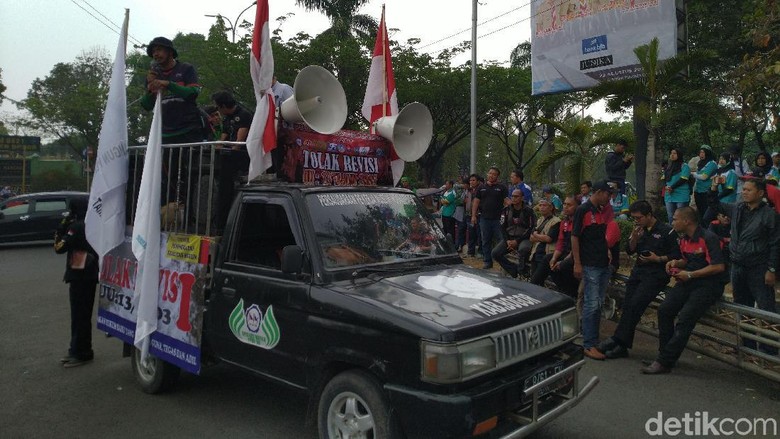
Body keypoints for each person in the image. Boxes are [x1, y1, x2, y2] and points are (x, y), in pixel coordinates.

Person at [641, 206, 726, 374]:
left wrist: (691, 274)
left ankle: (665, 361)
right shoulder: (684, 239)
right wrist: (675, 263)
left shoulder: (709, 238)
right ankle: (664, 355)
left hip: (708, 285)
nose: (672, 222)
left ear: (686, 221)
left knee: (685, 318)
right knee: (665, 310)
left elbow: (718, 266)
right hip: (689, 280)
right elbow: (687, 260)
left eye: (675, 219)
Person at [596, 201, 680, 359]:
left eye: (639, 217)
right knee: (628, 305)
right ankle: (621, 345)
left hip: (656, 274)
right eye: (634, 218)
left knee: (636, 305)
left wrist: (657, 258)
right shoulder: (638, 229)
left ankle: (618, 340)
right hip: (638, 271)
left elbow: (677, 255)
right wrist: (634, 238)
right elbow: (629, 250)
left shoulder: (667, 231)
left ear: (649, 215)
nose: (636, 220)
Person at [711, 178, 779, 354]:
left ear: (761, 193)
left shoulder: (769, 215)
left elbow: (775, 244)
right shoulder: (738, 208)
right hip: (738, 266)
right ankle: (747, 347)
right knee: (742, 306)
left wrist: (772, 269)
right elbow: (714, 205)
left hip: (759, 268)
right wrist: (713, 187)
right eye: (744, 189)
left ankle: (769, 351)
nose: (744, 192)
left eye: (749, 190)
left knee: (765, 309)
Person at [571, 180, 615, 360]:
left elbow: (600, 236)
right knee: (591, 304)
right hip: (590, 265)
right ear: (598, 192)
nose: (609, 197)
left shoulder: (600, 211)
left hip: (603, 263)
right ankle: (589, 344)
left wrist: (607, 250)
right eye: (607, 194)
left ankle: (593, 340)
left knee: (597, 303)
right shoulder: (583, 210)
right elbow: (575, 237)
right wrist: (577, 263)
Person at [53, 197, 99, 368]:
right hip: (91, 273)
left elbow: (59, 247)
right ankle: (81, 349)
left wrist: (62, 225)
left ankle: (80, 352)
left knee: (79, 316)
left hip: (79, 276)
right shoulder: (93, 224)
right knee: (84, 316)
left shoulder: (77, 227)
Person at [212, 90, 254, 231]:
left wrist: (231, 148)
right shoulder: (226, 118)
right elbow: (223, 136)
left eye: (218, 107)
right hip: (228, 155)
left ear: (223, 106)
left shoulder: (243, 115)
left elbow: (239, 140)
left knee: (228, 185)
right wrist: (217, 147)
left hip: (242, 156)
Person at [539, 195, 580, 297]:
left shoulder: (580, 222)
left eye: (569, 205)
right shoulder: (564, 222)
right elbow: (560, 242)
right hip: (566, 252)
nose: (565, 207)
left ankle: (572, 294)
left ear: (577, 207)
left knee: (563, 266)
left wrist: (564, 260)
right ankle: (535, 285)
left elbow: (578, 244)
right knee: (548, 261)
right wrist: (554, 258)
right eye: (564, 204)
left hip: (577, 254)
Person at [492, 189, 536, 278]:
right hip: (509, 237)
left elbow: (531, 228)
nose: (514, 198)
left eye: (516, 196)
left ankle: (523, 271)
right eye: (512, 196)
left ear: (522, 198)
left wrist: (517, 241)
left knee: (523, 250)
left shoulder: (528, 211)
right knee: (495, 253)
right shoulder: (506, 210)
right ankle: (513, 270)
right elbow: (502, 226)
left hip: (524, 238)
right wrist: (507, 240)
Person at [472, 167, 508, 269]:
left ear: (497, 176)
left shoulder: (502, 188)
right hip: (484, 219)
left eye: (494, 174)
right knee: (485, 240)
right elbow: (476, 202)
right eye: (490, 173)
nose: (491, 175)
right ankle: (487, 261)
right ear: (487, 174)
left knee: (501, 240)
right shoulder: (481, 188)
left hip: (498, 220)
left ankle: (502, 262)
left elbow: (507, 201)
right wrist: (473, 215)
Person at [528, 198, 561, 282]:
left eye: (544, 205)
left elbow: (549, 238)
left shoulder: (556, 221)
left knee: (535, 281)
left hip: (546, 254)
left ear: (551, 208)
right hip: (535, 253)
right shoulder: (539, 220)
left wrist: (536, 235)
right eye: (540, 205)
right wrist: (539, 237)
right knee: (534, 279)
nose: (542, 207)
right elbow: (531, 238)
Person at [663, 147, 691, 223]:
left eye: (674, 153)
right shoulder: (668, 167)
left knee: (681, 216)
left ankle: (683, 234)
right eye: (671, 153)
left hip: (681, 195)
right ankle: (673, 233)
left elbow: (684, 179)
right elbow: (664, 179)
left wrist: (672, 187)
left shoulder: (684, 166)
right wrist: (667, 187)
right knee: (671, 216)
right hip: (669, 195)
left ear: (679, 155)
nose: (672, 155)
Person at [691, 144, 717, 221]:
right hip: (698, 191)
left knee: (707, 214)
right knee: (700, 213)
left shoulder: (712, 163)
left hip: (707, 192)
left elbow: (704, 177)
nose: (701, 154)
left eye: (703, 152)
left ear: (708, 153)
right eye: (700, 152)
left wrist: (693, 174)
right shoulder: (700, 163)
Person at [465, 174, 482, 258]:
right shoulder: (469, 190)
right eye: (470, 180)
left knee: (479, 234)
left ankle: (480, 252)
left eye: (473, 180)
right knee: (471, 234)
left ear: (478, 181)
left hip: (478, 215)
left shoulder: (481, 190)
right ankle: (470, 252)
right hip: (469, 215)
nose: (471, 182)